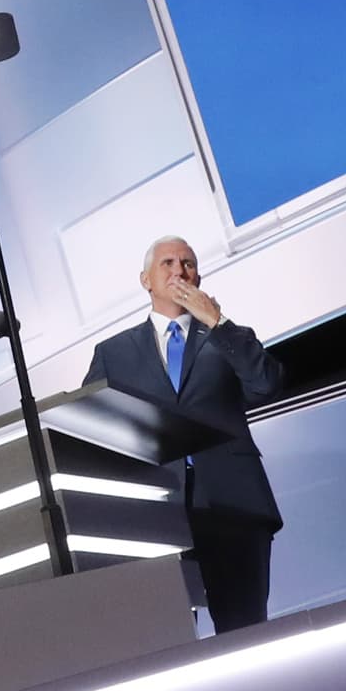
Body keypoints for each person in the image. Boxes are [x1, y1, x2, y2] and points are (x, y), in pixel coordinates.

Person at [79, 237, 286, 632]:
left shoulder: (226, 337)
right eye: (168, 263)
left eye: (188, 263)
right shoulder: (114, 353)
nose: (179, 271)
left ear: (199, 276)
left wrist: (217, 322)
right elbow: (91, 423)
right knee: (167, 637)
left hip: (233, 508)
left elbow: (266, 385)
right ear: (146, 280)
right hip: (154, 512)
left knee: (246, 633)